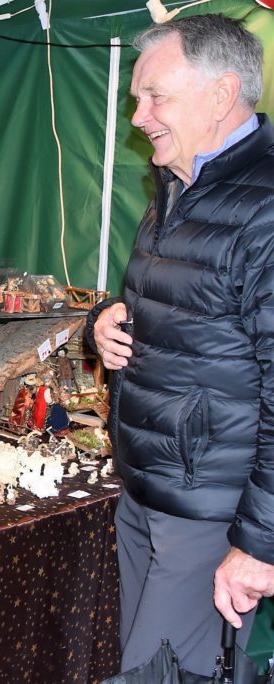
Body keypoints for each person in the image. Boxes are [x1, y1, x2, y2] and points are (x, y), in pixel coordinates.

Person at [87, 16, 274, 675]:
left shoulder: (266, 206)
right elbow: (183, 310)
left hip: (210, 510)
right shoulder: (179, 186)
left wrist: (259, 542)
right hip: (148, 489)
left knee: (164, 672)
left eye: (153, 96)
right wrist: (107, 322)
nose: (139, 117)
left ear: (222, 95)